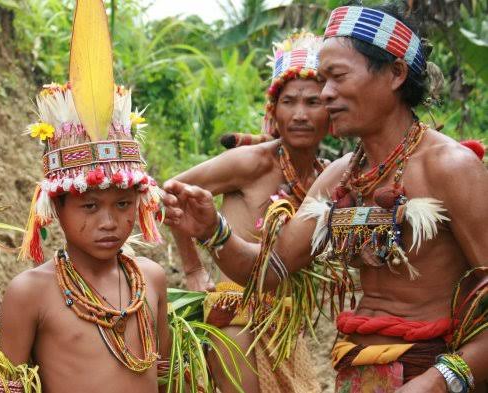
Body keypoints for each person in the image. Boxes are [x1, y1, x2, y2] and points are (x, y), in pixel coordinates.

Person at [163, 3, 488, 392]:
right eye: (323, 79)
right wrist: (214, 231)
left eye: (337, 77)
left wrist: (441, 379)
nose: (327, 93)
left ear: (395, 74)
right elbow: (271, 272)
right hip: (354, 373)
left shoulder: (450, 166)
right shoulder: (341, 176)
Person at [0, 1, 170, 392]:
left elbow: (165, 373)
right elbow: (7, 385)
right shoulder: (31, 293)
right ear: (56, 206)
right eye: (89, 206)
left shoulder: (152, 280)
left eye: (123, 204)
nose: (109, 222)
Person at [170, 32, 327, 393]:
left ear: (332, 110)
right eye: (289, 102)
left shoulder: (326, 176)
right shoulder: (252, 161)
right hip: (235, 316)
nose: (300, 114)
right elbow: (169, 194)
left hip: (287, 323)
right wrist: (193, 268)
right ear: (274, 111)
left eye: (313, 102)